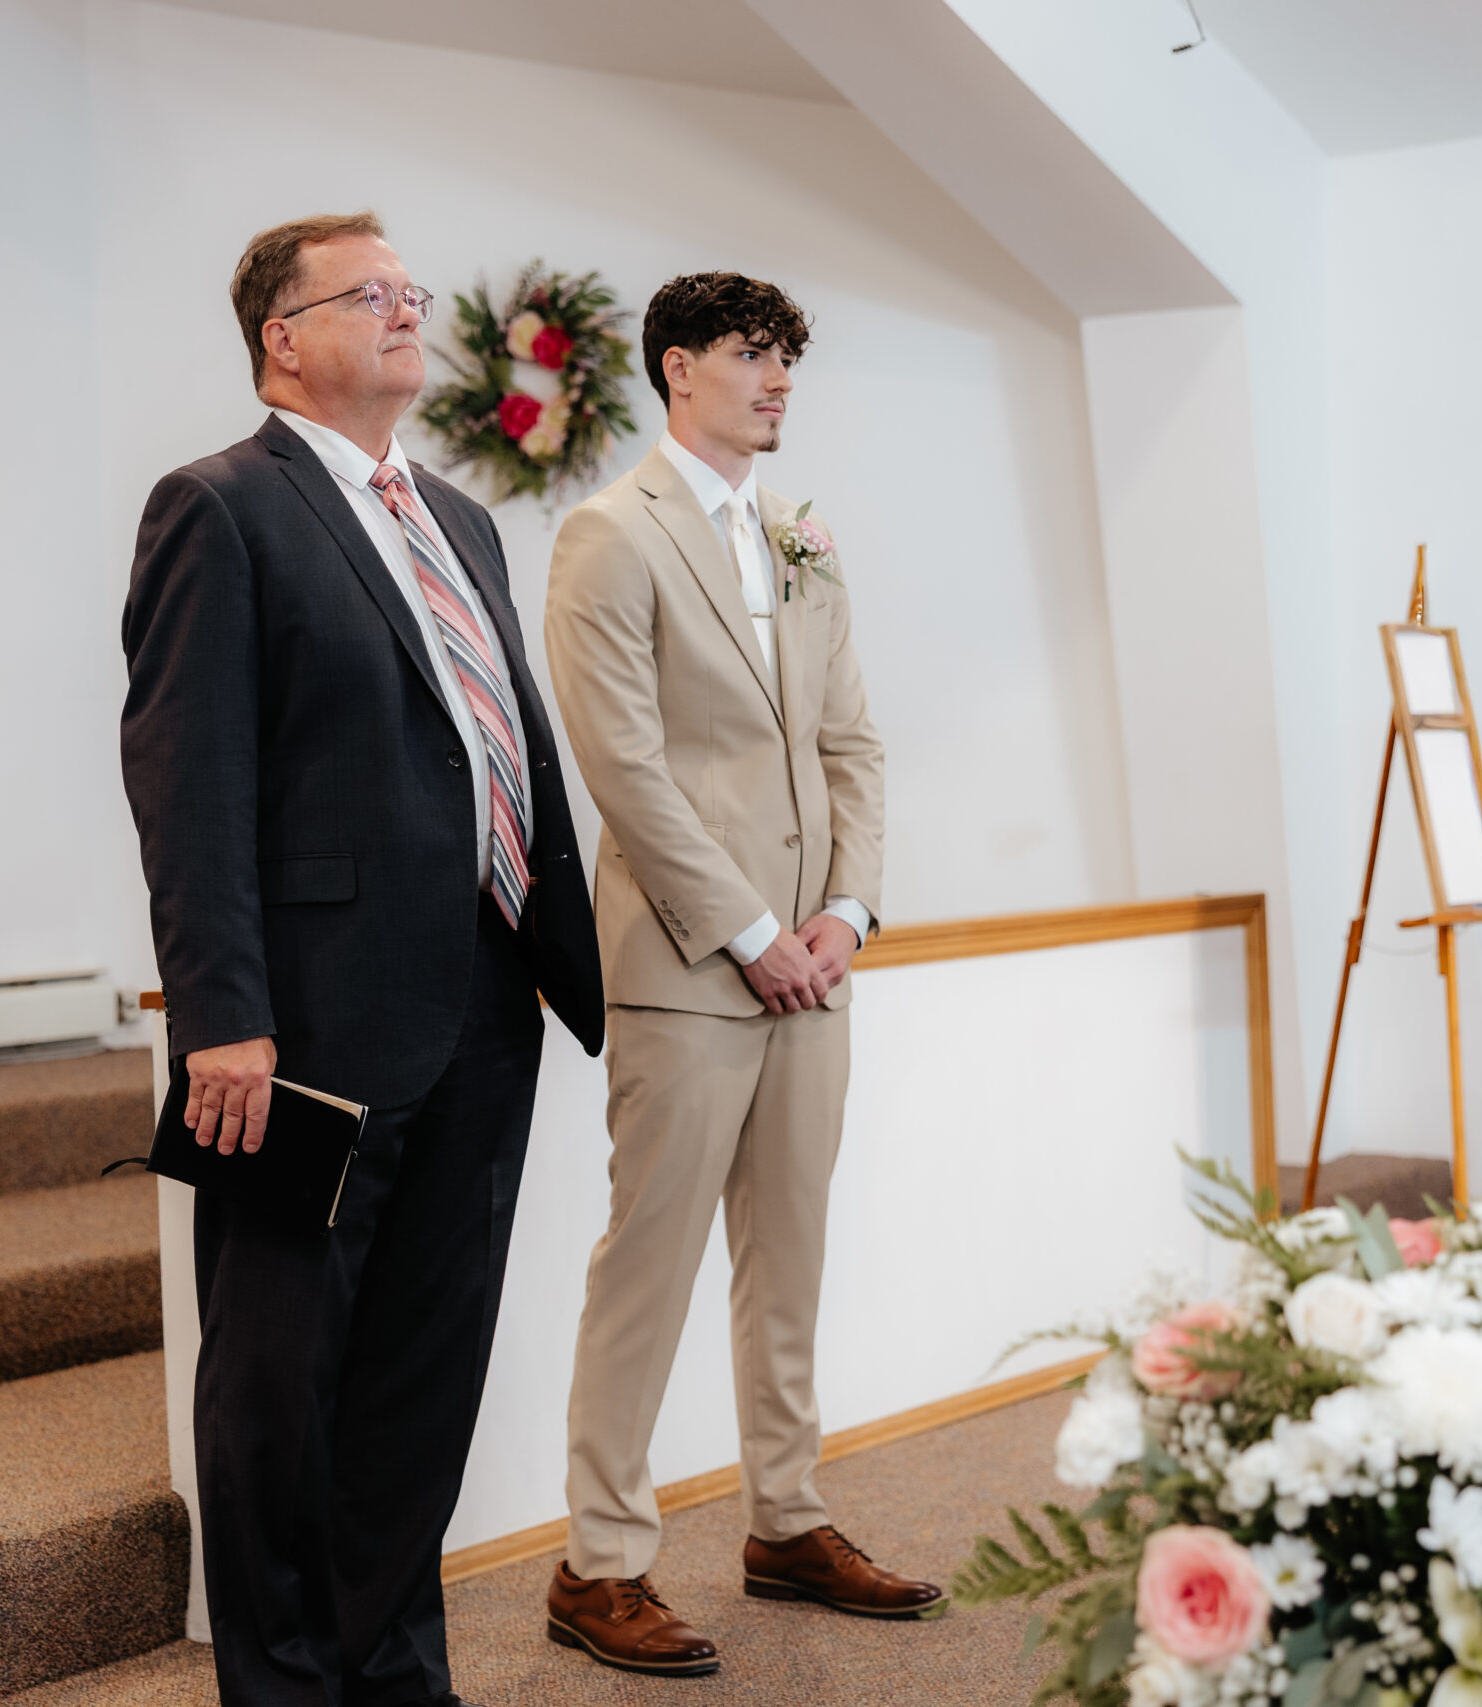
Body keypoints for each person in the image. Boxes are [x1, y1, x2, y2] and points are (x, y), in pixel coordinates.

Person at [119, 210, 603, 1707]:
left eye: (412, 291)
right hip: (300, 1029)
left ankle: (397, 1671)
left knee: (423, 1364)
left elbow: (501, 742)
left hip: (479, 998)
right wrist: (223, 1019)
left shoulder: (462, 521)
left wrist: (564, 957)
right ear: (285, 335)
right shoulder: (220, 507)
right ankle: (282, 1688)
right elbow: (187, 784)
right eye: (371, 294)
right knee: (275, 1375)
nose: (409, 311)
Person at [539, 272, 938, 1677]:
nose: (778, 382)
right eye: (751, 358)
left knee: (792, 1256)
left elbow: (855, 746)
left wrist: (842, 911)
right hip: (686, 970)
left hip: (814, 968)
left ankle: (789, 1518)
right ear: (677, 368)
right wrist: (747, 931)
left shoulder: (799, 536)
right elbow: (625, 770)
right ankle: (600, 1562)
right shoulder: (608, 537)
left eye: (788, 361)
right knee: (644, 1265)